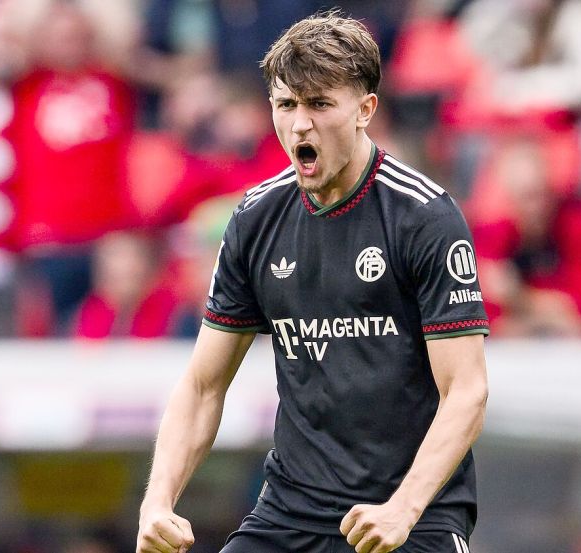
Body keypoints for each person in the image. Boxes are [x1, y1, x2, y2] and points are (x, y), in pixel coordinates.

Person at [137, 12, 489, 553]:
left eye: (320, 104)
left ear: (365, 109)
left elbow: (466, 390)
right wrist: (158, 501)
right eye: (286, 105)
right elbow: (204, 385)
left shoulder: (424, 216)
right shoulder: (255, 219)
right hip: (291, 514)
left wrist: (404, 509)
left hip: (412, 516)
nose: (300, 125)